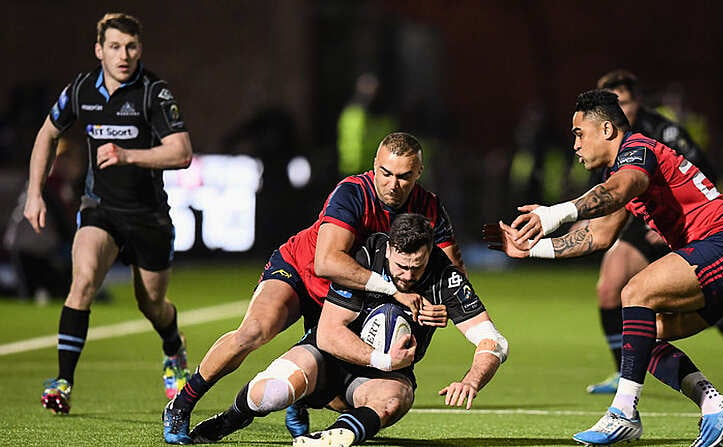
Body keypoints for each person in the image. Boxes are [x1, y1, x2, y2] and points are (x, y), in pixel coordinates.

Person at [485, 89, 723, 446]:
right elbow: (597, 236)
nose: (576, 145)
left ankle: (624, 412)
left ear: (608, 130)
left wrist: (554, 213)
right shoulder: (620, 172)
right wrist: (531, 248)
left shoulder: (638, 150)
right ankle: (713, 405)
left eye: (580, 133)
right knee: (645, 336)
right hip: (719, 261)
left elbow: (621, 188)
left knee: (634, 291)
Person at [163, 132, 464, 444]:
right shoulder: (353, 193)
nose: (393, 184)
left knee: (345, 383)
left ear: (418, 172)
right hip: (301, 271)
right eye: (385, 173)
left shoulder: (428, 208)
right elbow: (326, 263)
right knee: (254, 331)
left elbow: (451, 272)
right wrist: (394, 290)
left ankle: (299, 397)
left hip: (349, 297)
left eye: (403, 176)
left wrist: (437, 303)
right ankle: (182, 403)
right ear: (375, 165)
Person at [188, 213, 507, 446]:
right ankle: (233, 417)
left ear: (429, 255)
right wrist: (384, 359)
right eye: (401, 266)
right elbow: (328, 333)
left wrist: (471, 380)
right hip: (329, 358)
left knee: (395, 400)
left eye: (417, 267)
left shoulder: (445, 278)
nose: (408, 276)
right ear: (389, 249)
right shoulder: (364, 257)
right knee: (272, 393)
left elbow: (493, 341)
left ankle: (333, 437)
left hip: (379, 379)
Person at [25, 13, 194, 415]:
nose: (124, 55)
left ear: (140, 49)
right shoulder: (82, 89)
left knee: (151, 304)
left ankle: (174, 349)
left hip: (149, 215)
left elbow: (182, 152)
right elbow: (48, 133)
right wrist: (34, 193)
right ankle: (63, 382)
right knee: (81, 283)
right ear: (99, 50)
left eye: (131, 47)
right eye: (115, 47)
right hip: (100, 209)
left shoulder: (154, 92)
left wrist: (128, 155)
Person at [583, 70, 723, 395]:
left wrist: (558, 214)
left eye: (623, 102)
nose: (619, 109)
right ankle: (623, 373)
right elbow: (606, 195)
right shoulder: (602, 142)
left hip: (685, 226)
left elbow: (702, 173)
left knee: (642, 298)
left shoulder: (662, 131)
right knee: (610, 287)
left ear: (637, 101)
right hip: (639, 221)